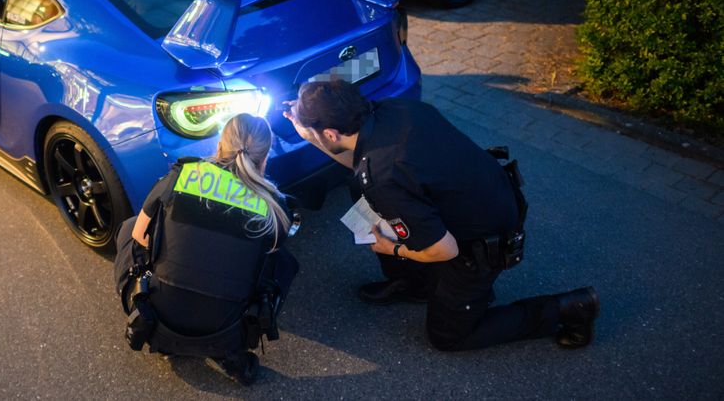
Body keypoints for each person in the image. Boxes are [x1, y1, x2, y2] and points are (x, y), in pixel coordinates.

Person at [282, 79, 600, 351]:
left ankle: (567, 310)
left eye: (313, 130)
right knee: (363, 195)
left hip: (479, 240)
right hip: (481, 198)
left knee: (448, 337)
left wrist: (391, 248)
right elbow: (360, 164)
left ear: (332, 133)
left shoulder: (385, 176)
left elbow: (444, 249)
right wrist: (309, 135)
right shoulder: (395, 110)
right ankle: (417, 284)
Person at [114, 113, 299, 385]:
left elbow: (141, 236)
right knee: (282, 262)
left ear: (219, 146)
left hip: (161, 316)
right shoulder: (274, 208)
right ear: (264, 158)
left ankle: (167, 341)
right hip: (228, 329)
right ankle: (231, 356)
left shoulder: (182, 175)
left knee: (130, 228)